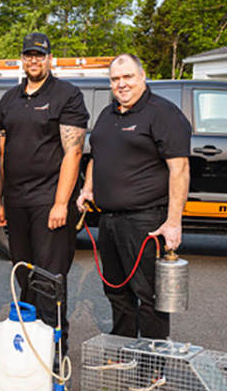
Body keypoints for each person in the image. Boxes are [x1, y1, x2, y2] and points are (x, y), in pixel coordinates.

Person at [76, 53, 191, 344]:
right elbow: (96, 156)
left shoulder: (163, 113)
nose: (121, 84)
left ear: (142, 76)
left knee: (148, 294)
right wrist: (88, 188)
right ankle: (124, 347)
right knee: (116, 289)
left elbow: (180, 168)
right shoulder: (108, 114)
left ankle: (153, 364)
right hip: (109, 219)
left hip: (145, 219)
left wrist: (174, 222)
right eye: (115, 79)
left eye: (127, 77)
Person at [0, 32, 89, 364]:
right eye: (29, 55)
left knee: (50, 275)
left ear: (50, 59)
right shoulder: (9, 99)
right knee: (24, 272)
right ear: (23, 58)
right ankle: (30, 344)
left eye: (40, 55)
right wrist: (0, 198)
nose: (34, 61)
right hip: (16, 201)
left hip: (49, 201)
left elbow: (73, 152)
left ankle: (55, 348)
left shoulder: (67, 95)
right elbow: (3, 151)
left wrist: (61, 203)